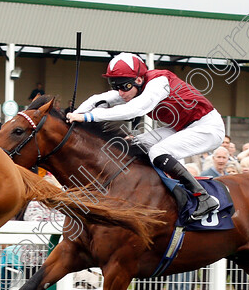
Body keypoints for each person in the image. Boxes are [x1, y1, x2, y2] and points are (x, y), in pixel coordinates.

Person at [67, 53, 225, 220]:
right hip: (180, 127)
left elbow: (135, 110)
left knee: (158, 151)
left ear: (139, 80)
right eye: (117, 87)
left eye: (124, 87)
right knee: (134, 144)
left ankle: (202, 197)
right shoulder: (132, 87)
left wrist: (88, 117)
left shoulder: (159, 83)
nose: (120, 93)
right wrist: (72, 115)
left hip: (207, 126)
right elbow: (97, 99)